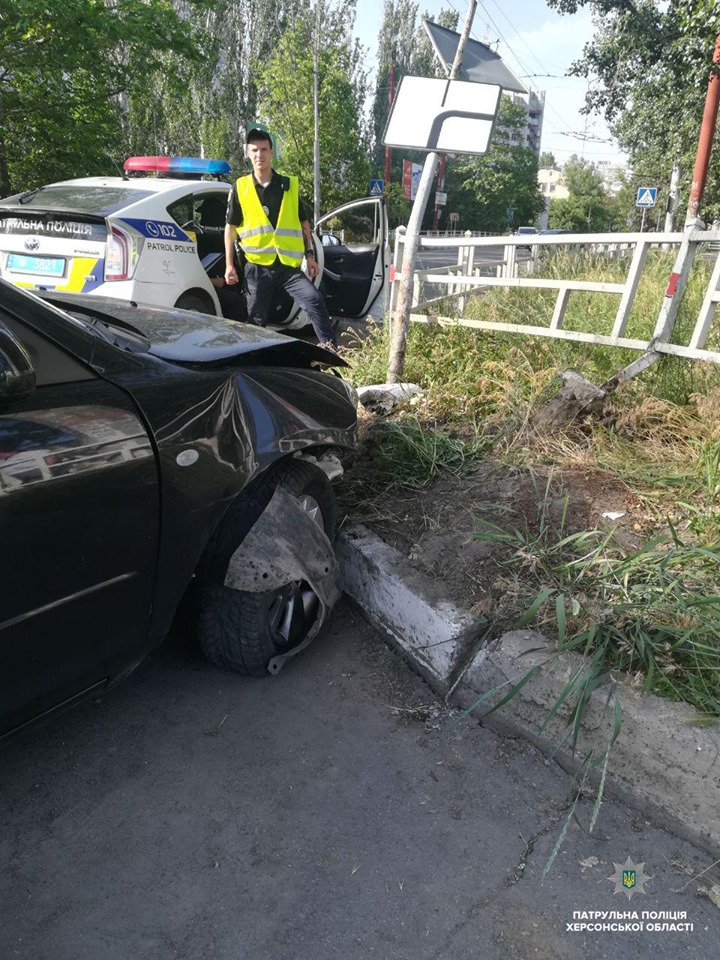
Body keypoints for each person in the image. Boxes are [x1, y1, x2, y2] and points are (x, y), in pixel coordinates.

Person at [224, 128, 338, 350]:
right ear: (248, 154)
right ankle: (252, 364)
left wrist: (310, 256)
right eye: (254, 150)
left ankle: (331, 348)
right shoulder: (241, 187)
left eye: (264, 149)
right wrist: (230, 265)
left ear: (272, 152)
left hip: (287, 266)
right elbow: (230, 229)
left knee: (314, 300)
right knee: (256, 321)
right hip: (257, 267)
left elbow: (304, 224)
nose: (260, 155)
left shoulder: (288, 185)